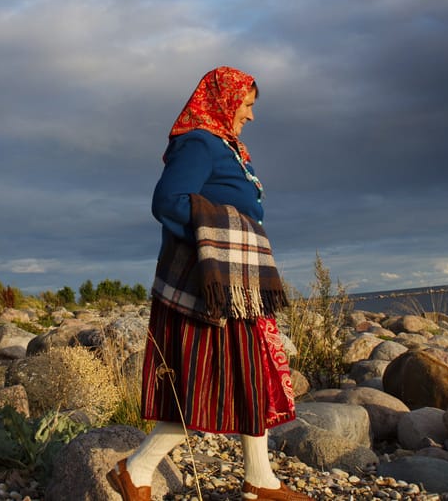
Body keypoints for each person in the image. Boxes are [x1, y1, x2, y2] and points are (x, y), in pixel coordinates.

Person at [107, 67, 312, 501]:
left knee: (248, 376)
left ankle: (261, 478)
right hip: (205, 288)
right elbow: (168, 203)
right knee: (205, 384)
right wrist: (225, 233)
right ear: (225, 99)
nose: (251, 116)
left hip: (234, 285)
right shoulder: (199, 141)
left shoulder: (227, 146)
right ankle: (136, 467)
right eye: (248, 105)